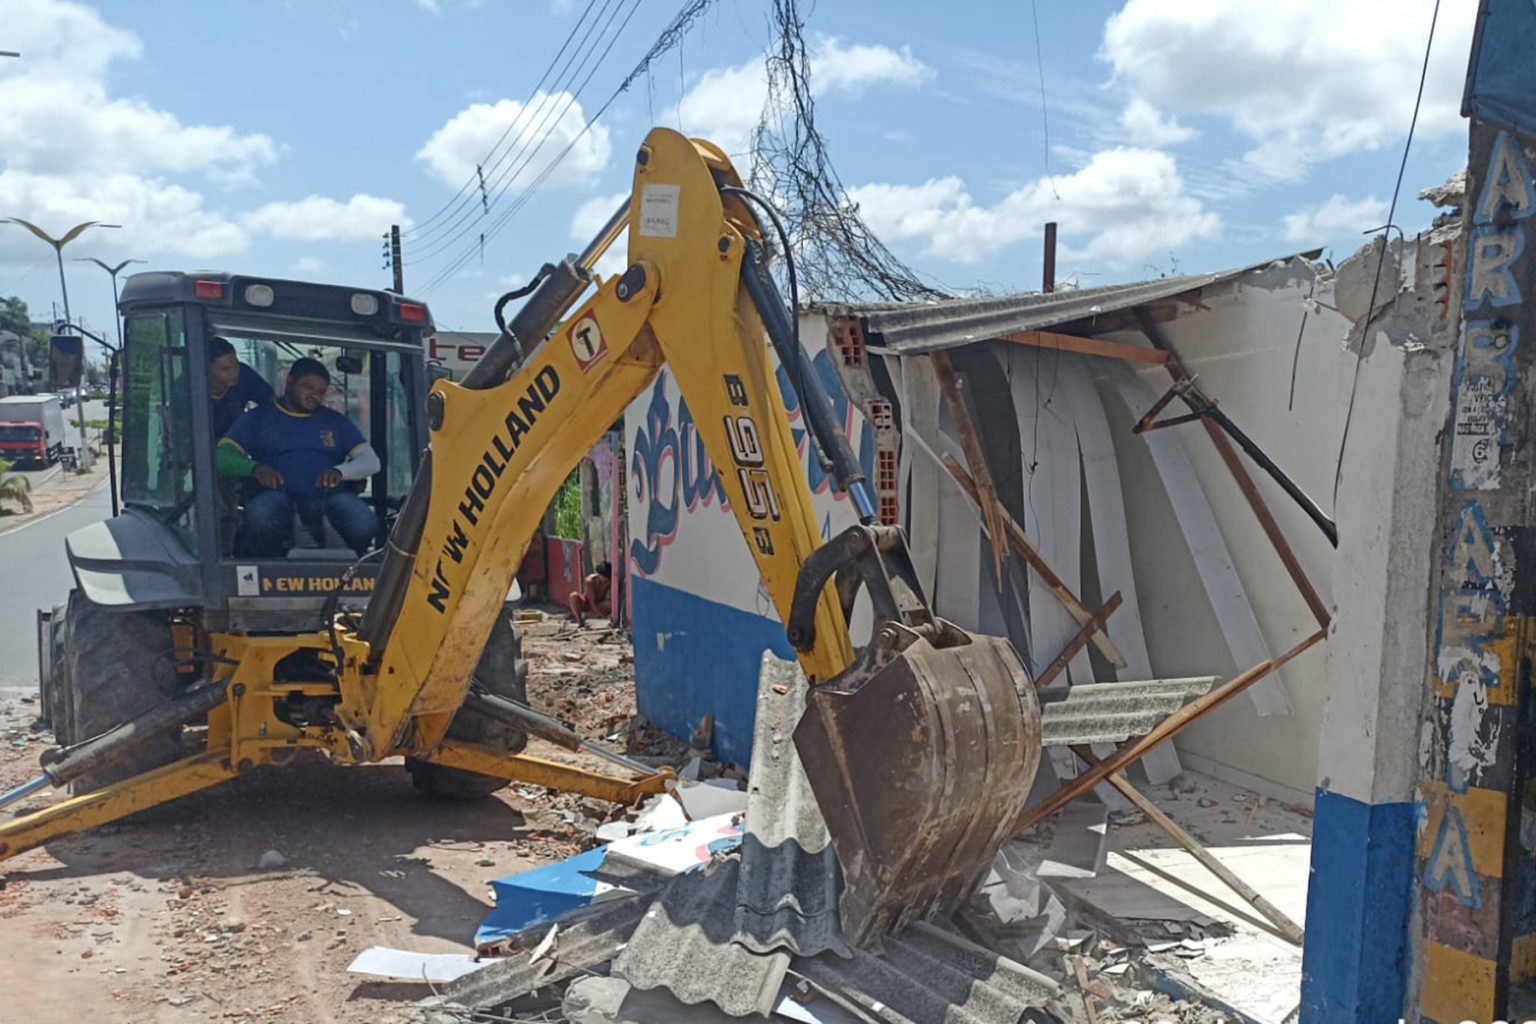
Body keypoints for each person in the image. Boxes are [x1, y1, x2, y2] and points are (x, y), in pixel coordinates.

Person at [216, 358, 381, 557]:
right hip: (278, 497)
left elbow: (371, 461)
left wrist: (340, 472)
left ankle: (348, 565)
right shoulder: (257, 419)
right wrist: (255, 468)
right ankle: (274, 564)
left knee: (365, 524)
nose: (315, 395)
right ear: (289, 382)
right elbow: (222, 456)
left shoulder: (335, 421)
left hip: (330, 498)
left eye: (320, 391)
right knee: (261, 517)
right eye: (308, 387)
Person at [208, 336, 274, 437]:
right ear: (208, 368)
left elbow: (272, 403)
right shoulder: (187, 389)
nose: (234, 373)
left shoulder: (244, 376)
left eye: (236, 365)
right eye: (225, 369)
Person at [569, 561, 613, 626]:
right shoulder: (590, 581)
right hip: (587, 604)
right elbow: (592, 602)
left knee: (610, 604)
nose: (605, 579)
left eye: (606, 577)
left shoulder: (609, 581)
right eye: (603, 576)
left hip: (599, 604)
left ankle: (594, 615)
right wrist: (599, 614)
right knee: (573, 596)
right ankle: (580, 621)